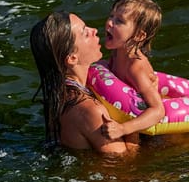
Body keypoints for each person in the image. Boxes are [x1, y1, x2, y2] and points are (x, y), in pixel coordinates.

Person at [30, 11, 141, 155]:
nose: (94, 30)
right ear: (72, 58)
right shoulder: (90, 110)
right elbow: (124, 164)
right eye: (85, 33)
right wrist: (134, 122)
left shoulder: (58, 96)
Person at [99, 0, 165, 140]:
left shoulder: (135, 67)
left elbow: (158, 110)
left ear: (139, 35)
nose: (109, 23)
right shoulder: (117, 51)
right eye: (111, 16)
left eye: (119, 21)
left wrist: (123, 128)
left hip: (143, 124)